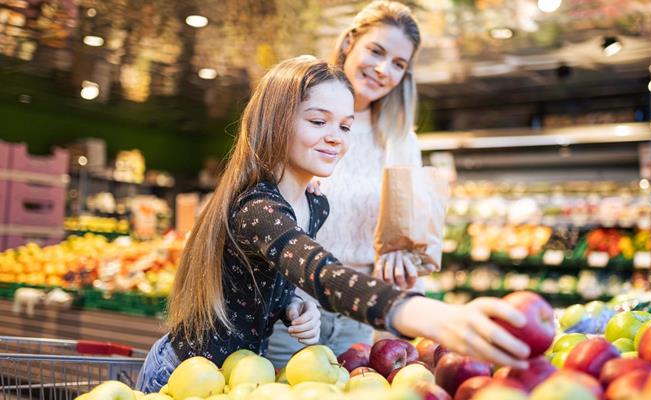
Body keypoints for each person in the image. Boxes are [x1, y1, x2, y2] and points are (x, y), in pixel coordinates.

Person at [134, 56, 530, 394]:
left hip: (237, 377)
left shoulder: (315, 204)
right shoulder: (257, 207)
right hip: (184, 374)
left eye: (345, 126)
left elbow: (277, 273)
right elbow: (321, 272)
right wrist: (431, 316)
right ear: (276, 121)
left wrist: (292, 304)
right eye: (319, 121)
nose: (335, 138)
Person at [266, 0, 431, 368]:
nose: (382, 69)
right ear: (348, 44)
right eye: (376, 51)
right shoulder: (300, 115)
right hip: (290, 308)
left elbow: (408, 232)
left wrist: (404, 254)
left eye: (398, 64)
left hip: (356, 313)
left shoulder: (401, 141)